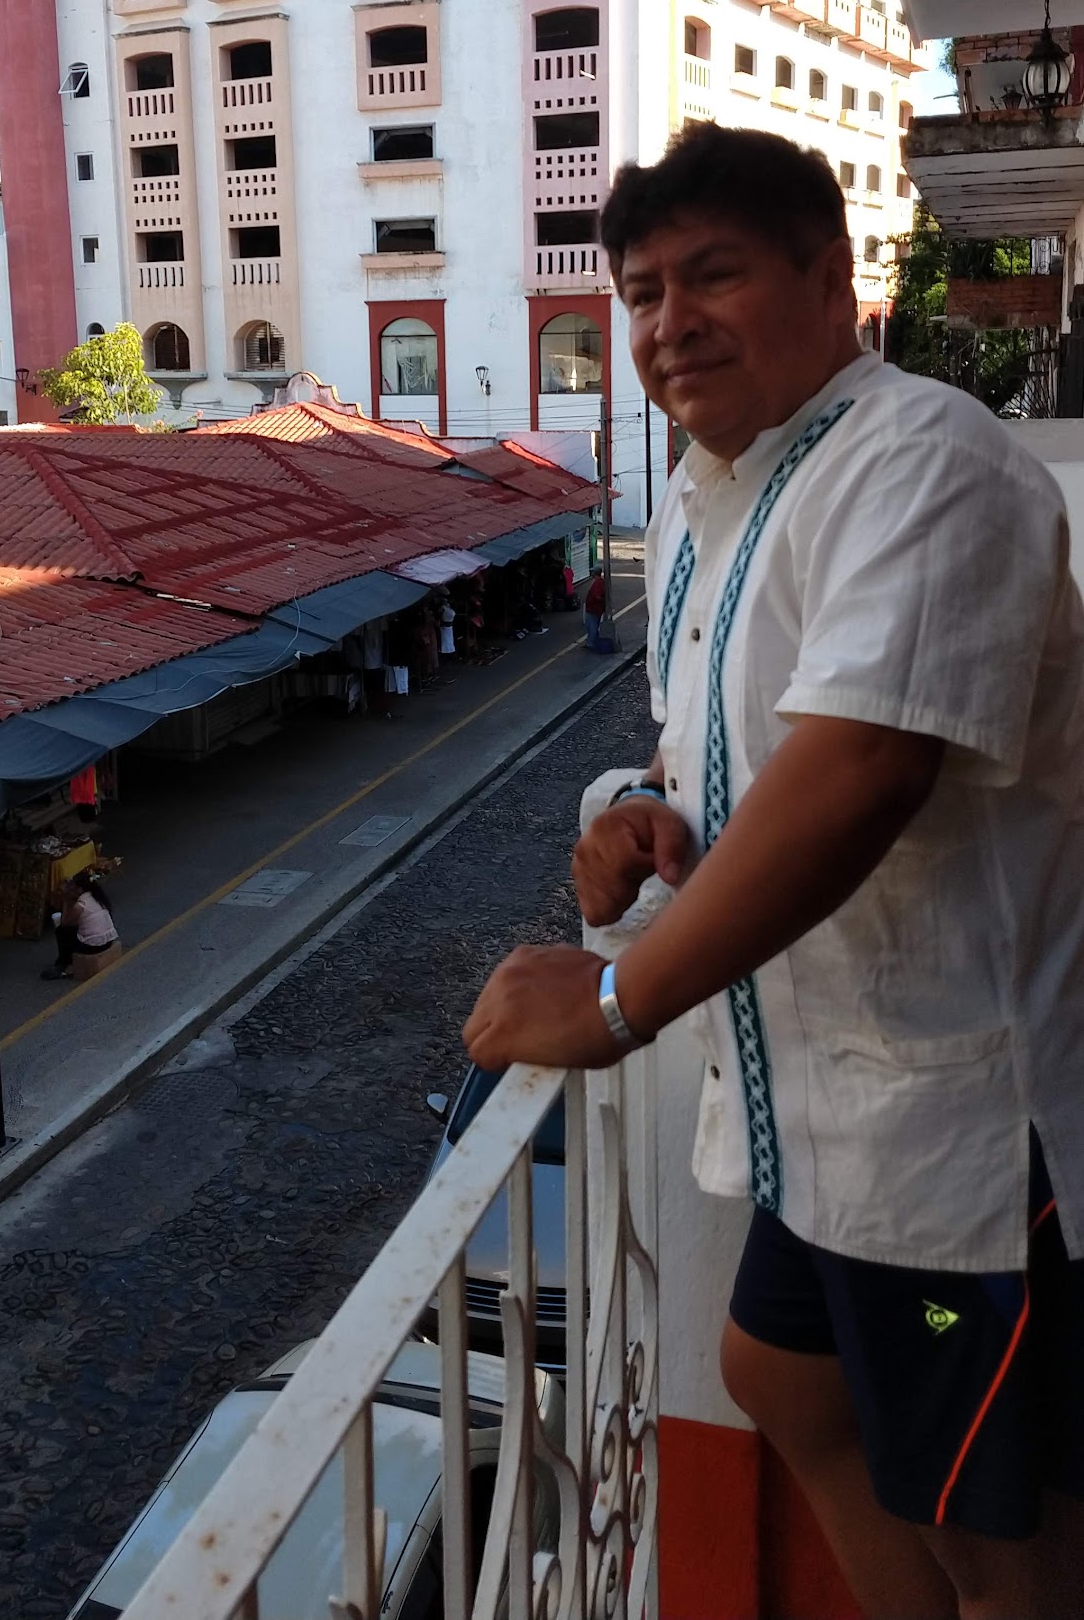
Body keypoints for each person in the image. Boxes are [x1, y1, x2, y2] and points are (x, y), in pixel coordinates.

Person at [463, 123, 1084, 1620]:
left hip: (953, 1137)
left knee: (999, 1533)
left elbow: (863, 767)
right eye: (642, 293)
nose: (669, 323)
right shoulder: (706, 493)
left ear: (830, 279)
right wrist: (644, 811)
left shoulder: (925, 461)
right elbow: (730, 742)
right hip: (817, 1125)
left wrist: (614, 1001)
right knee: (780, 1376)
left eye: (713, 276)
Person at [42, 873, 119, 981]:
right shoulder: (97, 897)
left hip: (94, 946)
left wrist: (66, 899)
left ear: (80, 889)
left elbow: (64, 922)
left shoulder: (80, 905)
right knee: (72, 930)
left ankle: (63, 964)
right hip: (108, 941)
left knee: (61, 931)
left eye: (73, 887)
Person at [582, 567, 606, 650]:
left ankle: (591, 643)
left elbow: (597, 596)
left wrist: (600, 600)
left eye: (592, 572)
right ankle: (593, 641)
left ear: (595, 573)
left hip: (594, 608)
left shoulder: (598, 583)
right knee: (594, 625)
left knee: (592, 626)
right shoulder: (600, 581)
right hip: (596, 608)